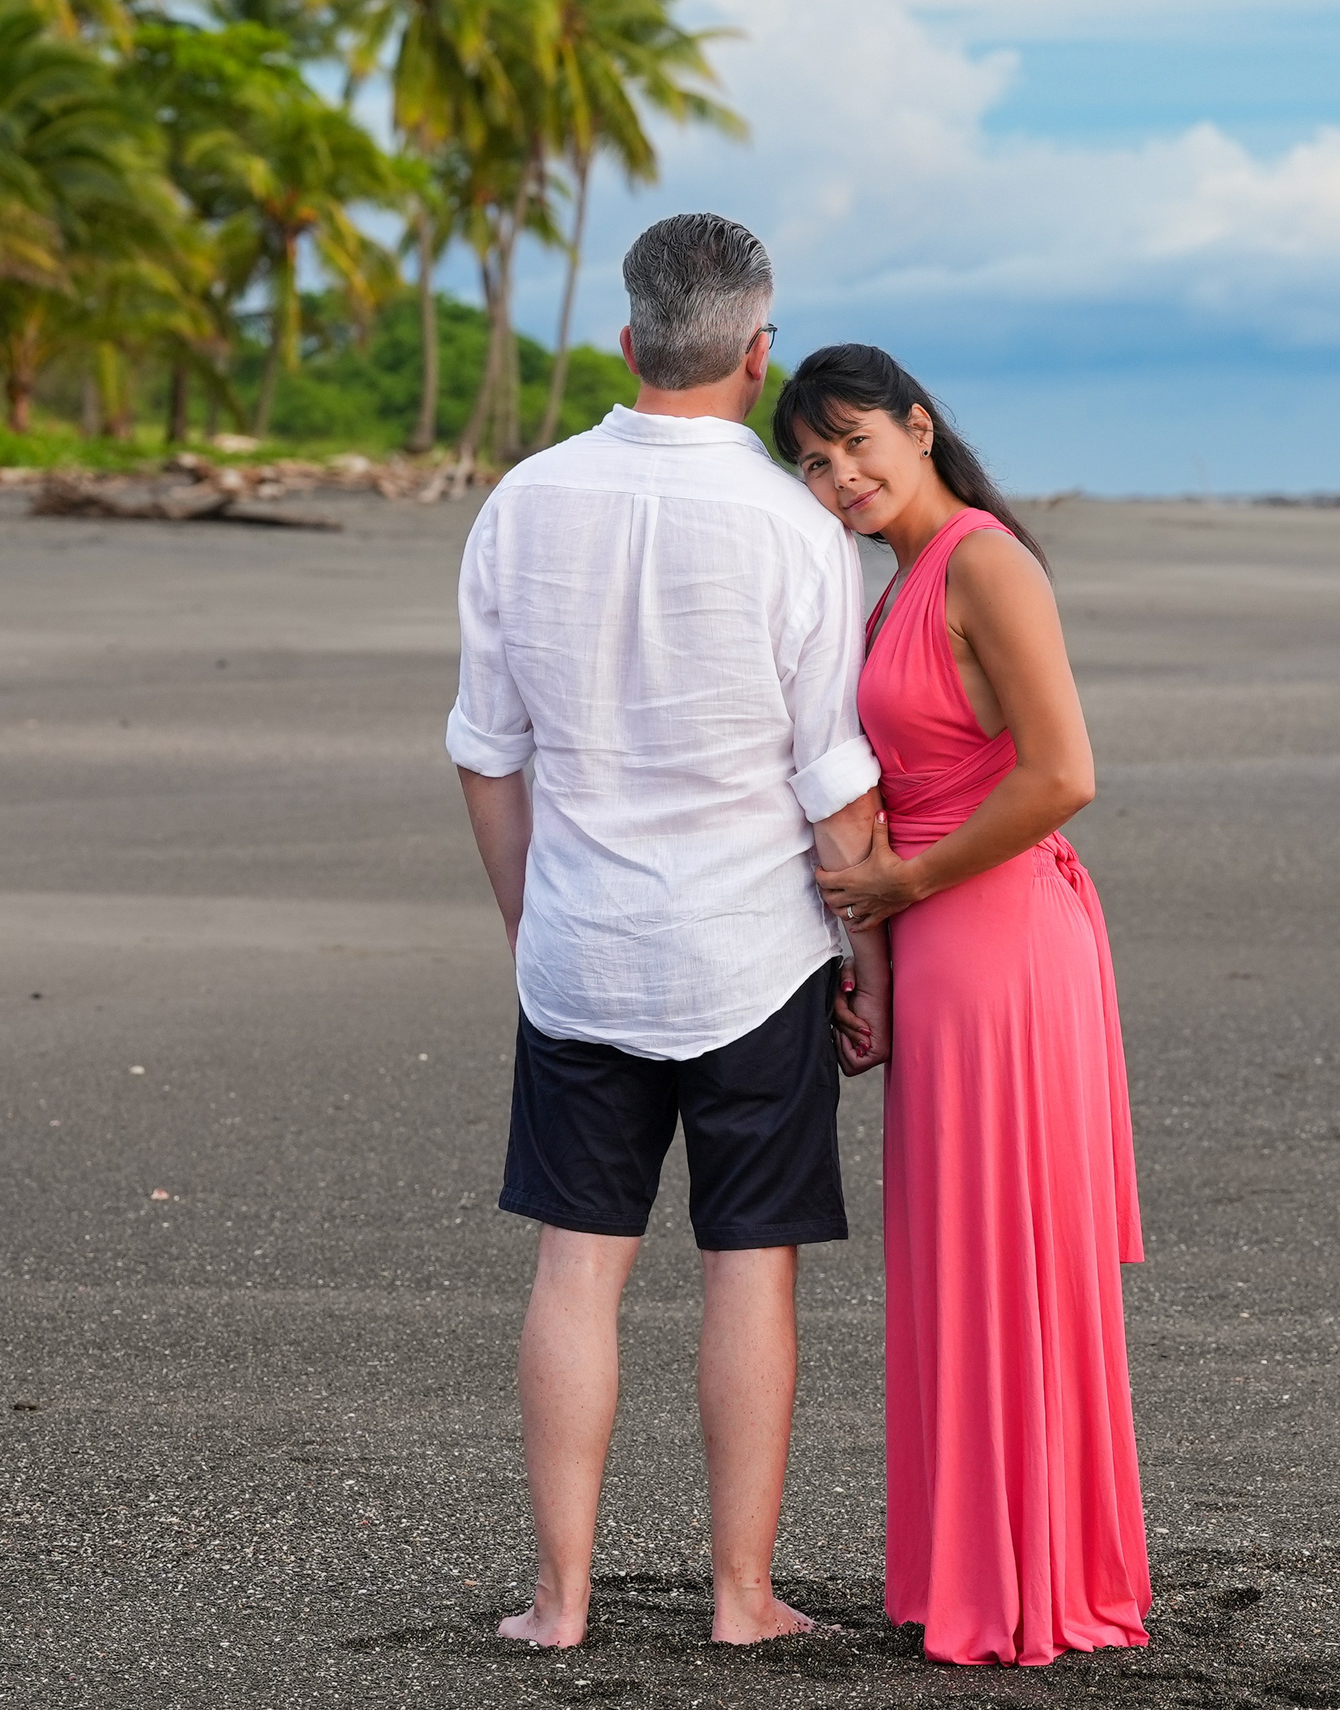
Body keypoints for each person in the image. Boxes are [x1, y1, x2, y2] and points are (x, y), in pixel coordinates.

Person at [447, 216, 892, 1649]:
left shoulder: (523, 500)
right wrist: (861, 955)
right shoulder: (796, 527)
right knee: (748, 1265)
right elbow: (833, 783)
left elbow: (487, 752)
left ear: (628, 342)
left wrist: (535, 928)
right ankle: (739, 1593)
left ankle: (560, 1597)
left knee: (578, 1265)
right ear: (760, 358)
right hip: (752, 950)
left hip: (580, 945)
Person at [776, 344, 1152, 1666]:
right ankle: (976, 1568)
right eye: (813, 464)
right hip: (939, 949)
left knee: (1014, 1260)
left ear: (919, 426)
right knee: (953, 1266)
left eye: (857, 441)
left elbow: (1063, 772)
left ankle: (1037, 1577)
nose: (841, 476)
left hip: (1001, 943)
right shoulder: (893, 586)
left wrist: (904, 882)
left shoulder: (985, 559)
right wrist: (874, 948)